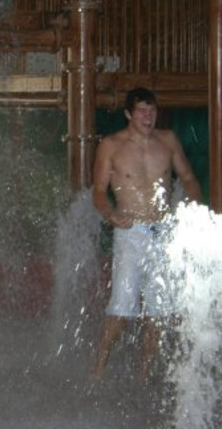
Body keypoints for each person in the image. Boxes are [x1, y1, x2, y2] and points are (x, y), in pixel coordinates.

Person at [89, 87, 201, 381]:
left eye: (152, 110)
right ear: (128, 114)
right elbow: (99, 192)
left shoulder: (168, 140)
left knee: (159, 311)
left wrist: (191, 209)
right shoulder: (111, 145)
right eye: (141, 111)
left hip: (163, 231)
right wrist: (111, 214)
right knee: (122, 309)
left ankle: (143, 373)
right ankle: (98, 370)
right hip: (131, 232)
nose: (148, 116)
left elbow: (188, 178)